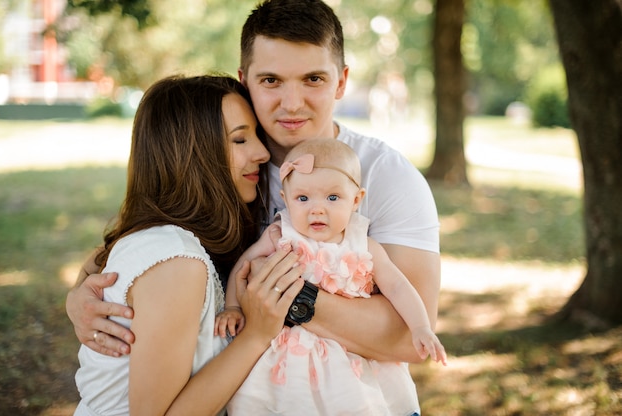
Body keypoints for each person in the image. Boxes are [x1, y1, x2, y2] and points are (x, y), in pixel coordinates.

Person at [68, 0, 440, 384]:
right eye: (271, 80)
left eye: (313, 79)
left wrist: (290, 297)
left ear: (342, 81)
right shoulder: (226, 161)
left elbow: (412, 339)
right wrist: (78, 297)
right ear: (245, 80)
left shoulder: (387, 176)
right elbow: (138, 241)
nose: (292, 103)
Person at [73, 74, 305, 415]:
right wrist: (255, 335)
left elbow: (94, 267)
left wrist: (75, 296)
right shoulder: (175, 262)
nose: (261, 152)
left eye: (256, 136)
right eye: (240, 140)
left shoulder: (165, 243)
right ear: (191, 154)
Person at [216, 139, 446, 415]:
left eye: (332, 198)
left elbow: (397, 286)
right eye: (303, 198)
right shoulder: (280, 235)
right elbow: (244, 267)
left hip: (353, 355)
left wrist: (420, 326)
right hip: (292, 356)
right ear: (286, 198)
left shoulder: (364, 243)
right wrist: (232, 307)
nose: (317, 209)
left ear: (356, 200)